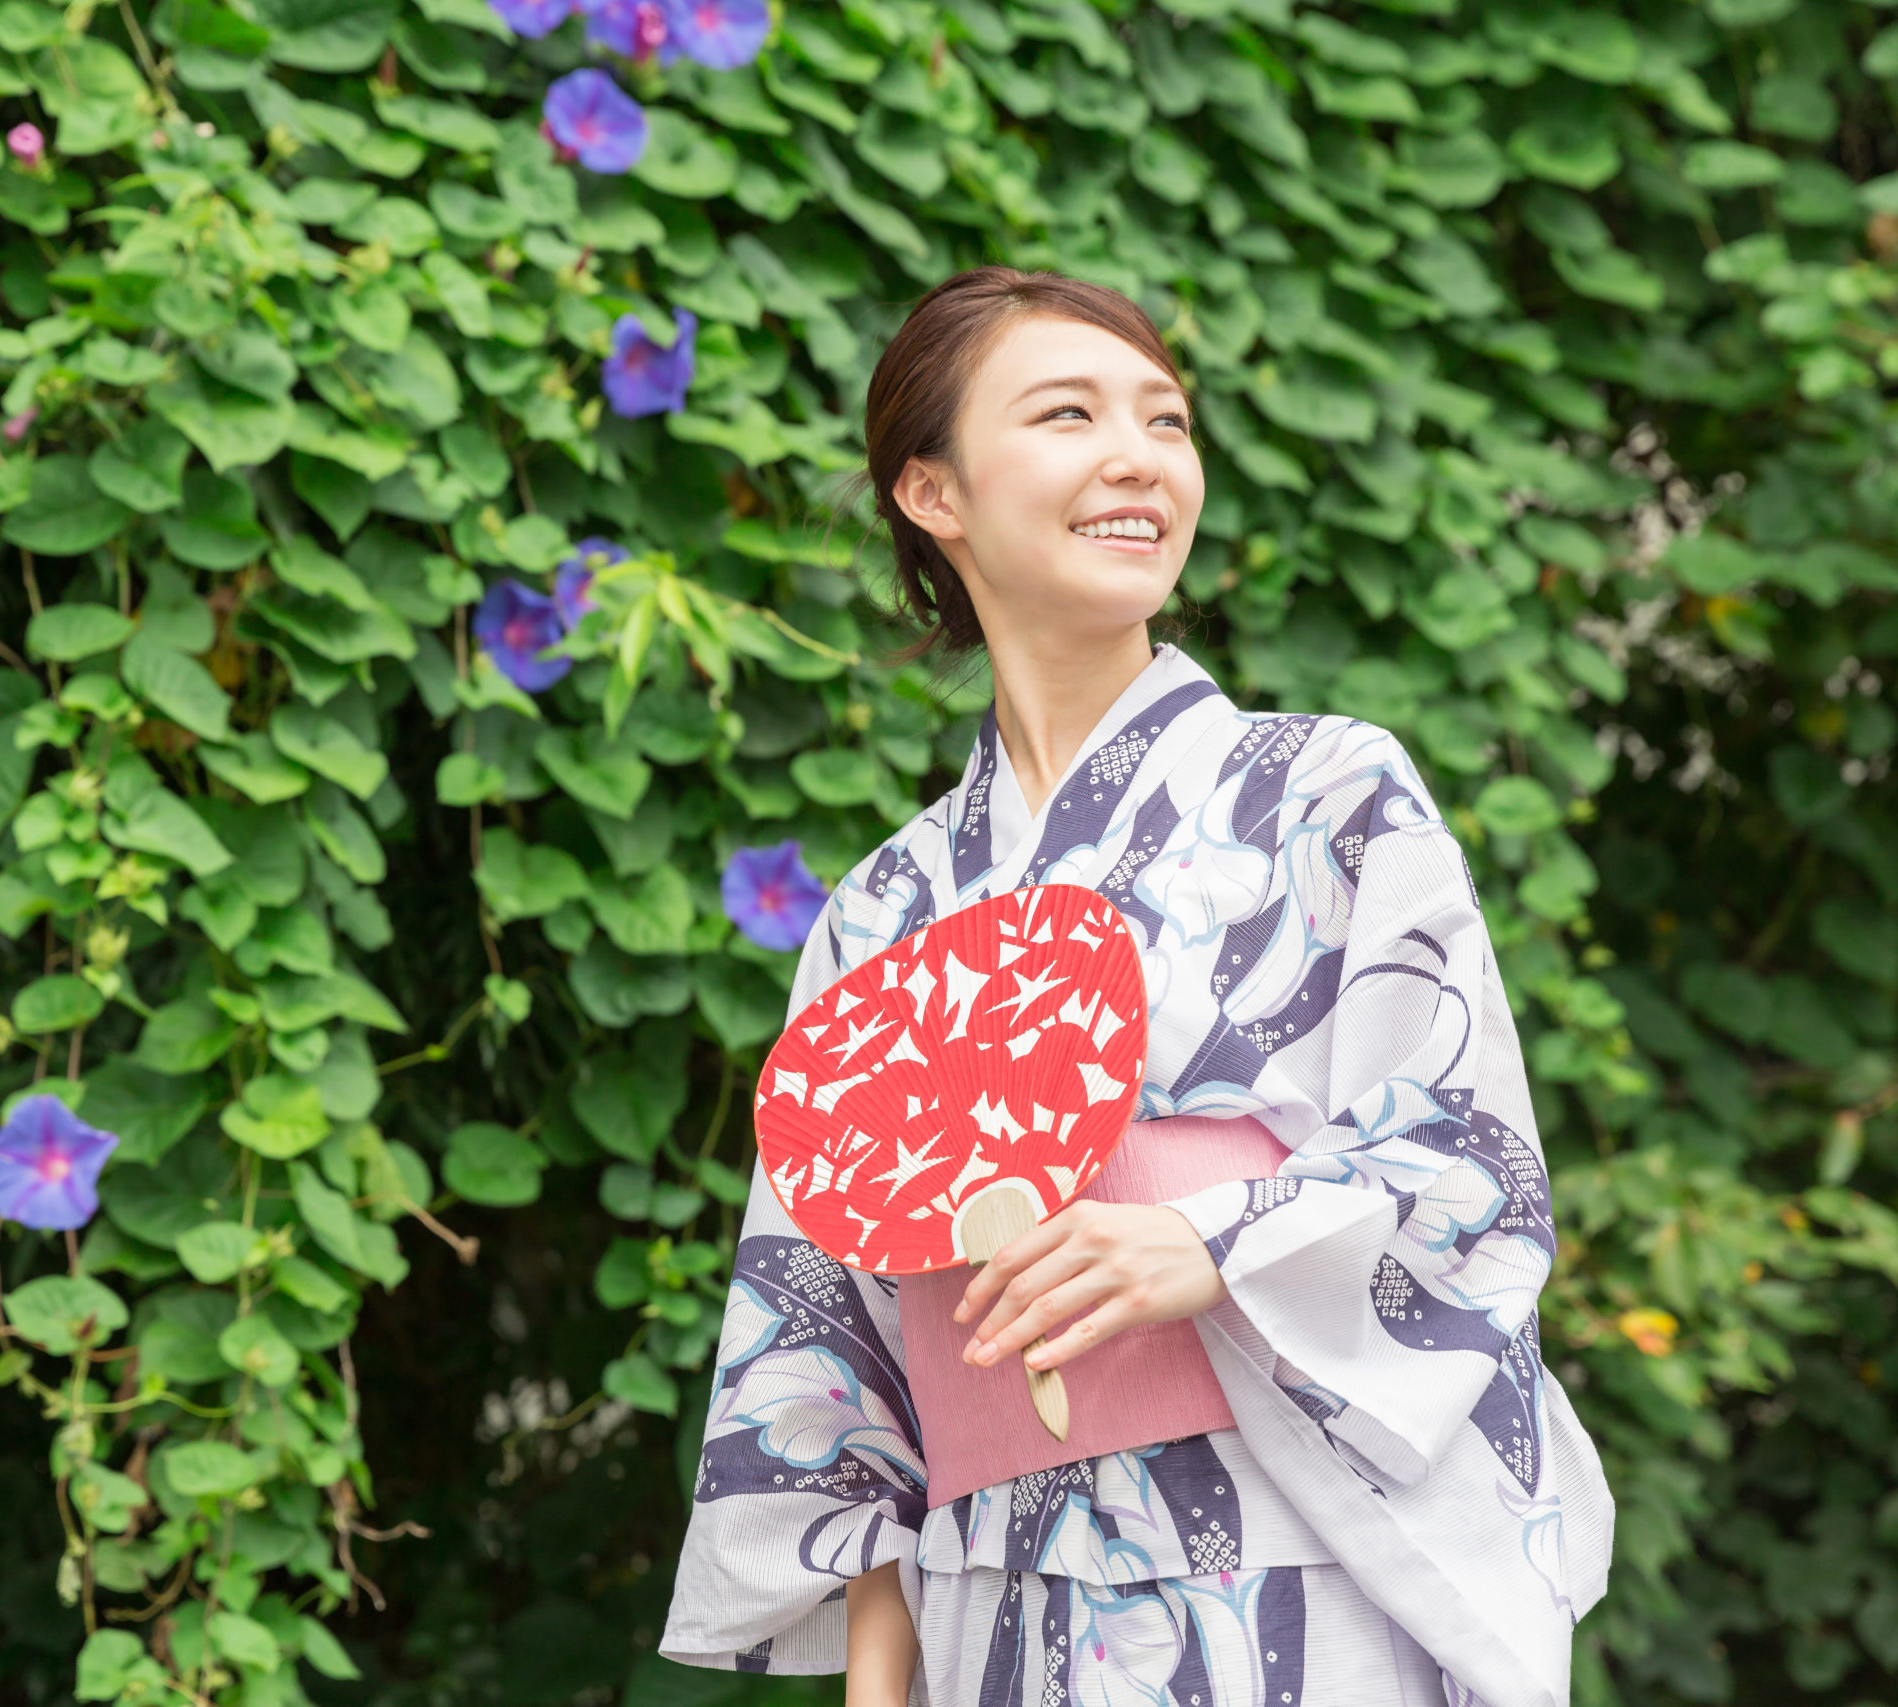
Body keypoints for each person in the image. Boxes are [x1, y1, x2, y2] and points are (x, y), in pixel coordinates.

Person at [658, 268, 1614, 1707]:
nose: (1140, 457)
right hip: (990, 1593)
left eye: (1166, 421)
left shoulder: (1326, 790)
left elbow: (1466, 1161)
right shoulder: (881, 911)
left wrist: (1212, 1244)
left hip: (1290, 1557)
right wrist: (878, 1684)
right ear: (936, 493)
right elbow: (829, 1332)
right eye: (1068, 412)